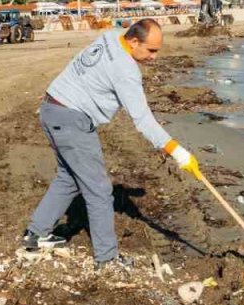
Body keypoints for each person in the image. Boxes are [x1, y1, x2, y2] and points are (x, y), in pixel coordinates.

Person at [22, 19, 201, 270]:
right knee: (99, 191)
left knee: (68, 176)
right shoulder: (126, 71)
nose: (154, 57)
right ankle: (106, 259)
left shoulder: (112, 36)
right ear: (134, 41)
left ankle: (36, 234)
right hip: (72, 118)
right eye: (151, 50)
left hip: (51, 108)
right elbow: (142, 120)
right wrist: (177, 151)